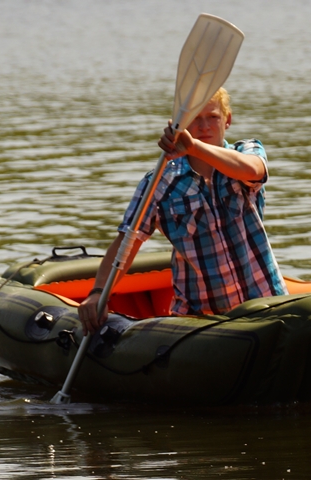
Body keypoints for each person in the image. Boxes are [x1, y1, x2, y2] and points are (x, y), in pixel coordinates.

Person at [79, 88, 288, 334]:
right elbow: (128, 239)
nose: (205, 126)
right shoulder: (159, 181)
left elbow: (254, 171)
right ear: (182, 125)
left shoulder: (247, 151)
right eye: (195, 119)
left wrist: (195, 147)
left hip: (265, 305)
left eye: (213, 117)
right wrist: (97, 293)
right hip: (200, 321)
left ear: (227, 120)